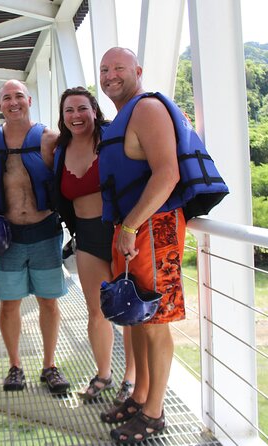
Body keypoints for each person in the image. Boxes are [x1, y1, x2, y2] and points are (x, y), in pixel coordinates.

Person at [97, 47, 187, 443]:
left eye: (118, 67)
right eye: (104, 69)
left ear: (138, 71)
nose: (110, 75)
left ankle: (154, 414)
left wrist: (131, 226)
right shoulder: (123, 116)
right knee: (137, 317)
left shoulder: (147, 109)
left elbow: (167, 173)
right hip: (132, 228)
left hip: (152, 226)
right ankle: (139, 397)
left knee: (155, 321)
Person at [0, 80, 70, 395]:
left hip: (45, 230)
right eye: (7, 98)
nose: (14, 102)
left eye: (19, 96)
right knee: (9, 303)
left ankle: (49, 365)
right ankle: (15, 366)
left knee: (49, 301)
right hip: (8, 235)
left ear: (29, 99)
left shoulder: (50, 139)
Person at [52, 86, 135, 403]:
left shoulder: (114, 136)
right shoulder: (61, 150)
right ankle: (103, 374)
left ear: (94, 110)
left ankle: (131, 379)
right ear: (62, 117)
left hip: (120, 232)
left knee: (127, 310)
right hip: (86, 236)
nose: (76, 116)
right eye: (69, 111)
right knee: (97, 310)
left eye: (82, 108)